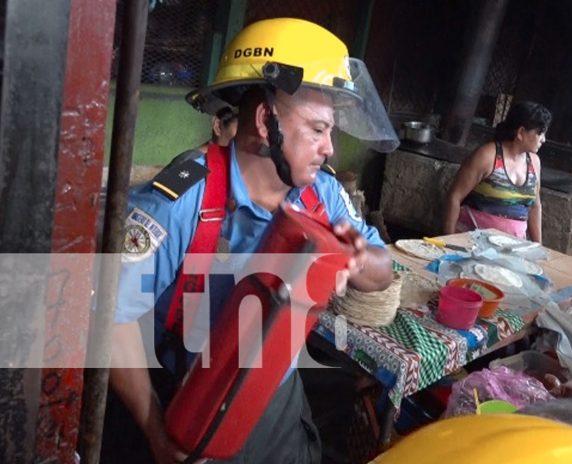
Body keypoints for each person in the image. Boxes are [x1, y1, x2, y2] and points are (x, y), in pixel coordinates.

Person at [107, 17, 398, 464]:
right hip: (188, 397)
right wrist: (156, 432)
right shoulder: (183, 200)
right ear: (266, 121)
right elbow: (111, 319)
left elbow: (382, 270)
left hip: (277, 393)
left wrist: (358, 259)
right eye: (318, 130)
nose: (330, 149)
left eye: (331, 132)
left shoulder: (321, 193)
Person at [443, 101, 552, 242]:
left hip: (511, 249)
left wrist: (538, 247)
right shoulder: (487, 156)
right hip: (471, 244)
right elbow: (454, 197)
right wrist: (447, 243)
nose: (543, 139)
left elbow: (535, 206)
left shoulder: (534, 162)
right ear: (520, 132)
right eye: (540, 133)